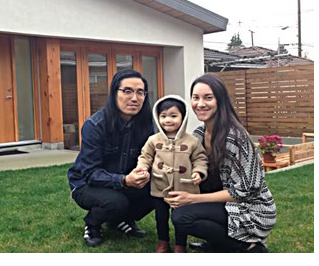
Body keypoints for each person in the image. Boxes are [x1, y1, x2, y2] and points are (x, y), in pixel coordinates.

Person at [165, 74, 277, 253]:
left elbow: (244, 191)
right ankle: (217, 244)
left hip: (252, 210)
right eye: (195, 98)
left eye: (208, 98)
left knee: (183, 216)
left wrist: (193, 199)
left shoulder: (235, 138)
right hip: (223, 202)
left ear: (220, 100)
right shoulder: (199, 134)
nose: (200, 104)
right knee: (179, 207)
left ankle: (248, 247)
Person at [67, 69, 155, 247]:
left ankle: (119, 220)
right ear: (115, 93)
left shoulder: (145, 125)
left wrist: (145, 172)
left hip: (124, 179)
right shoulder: (95, 125)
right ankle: (93, 224)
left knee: (158, 190)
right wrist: (124, 180)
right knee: (116, 202)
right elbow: (90, 173)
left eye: (140, 92)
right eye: (127, 91)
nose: (134, 98)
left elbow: (150, 156)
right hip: (86, 184)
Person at [136, 95, 208, 253]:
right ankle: (163, 242)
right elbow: (145, 156)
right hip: (160, 187)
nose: (168, 120)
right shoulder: (153, 140)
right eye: (163, 116)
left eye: (173, 116)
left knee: (180, 218)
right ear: (157, 117)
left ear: (183, 118)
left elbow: (200, 159)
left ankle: (180, 245)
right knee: (161, 217)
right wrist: (142, 168)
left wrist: (198, 172)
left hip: (184, 188)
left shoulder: (192, 141)